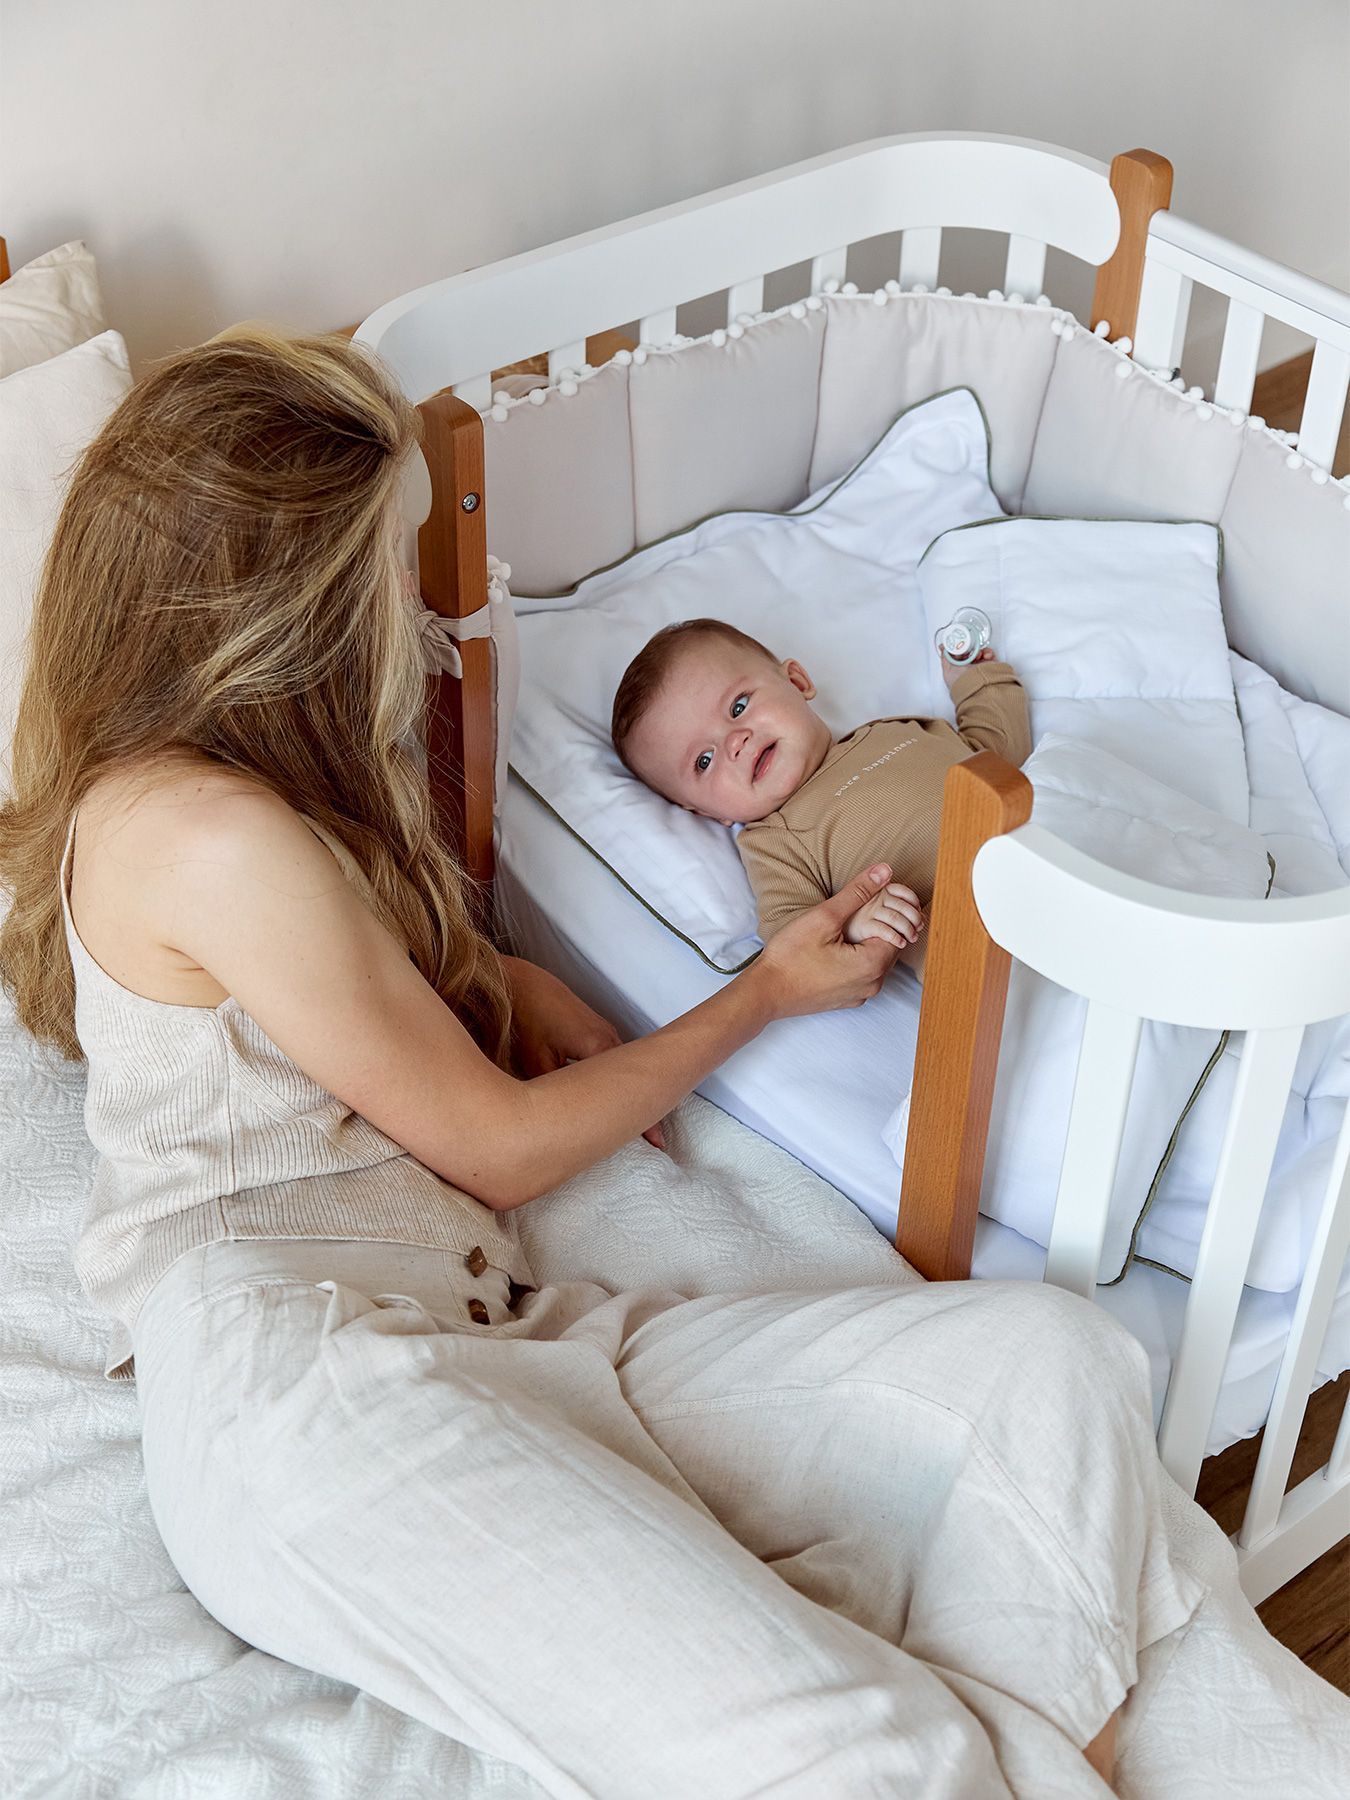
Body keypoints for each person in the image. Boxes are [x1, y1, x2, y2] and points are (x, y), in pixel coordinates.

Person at [0, 330, 1206, 1796]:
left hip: (498, 1326)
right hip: (306, 1378)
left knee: (1059, 1368)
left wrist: (501, 977)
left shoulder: (241, 804)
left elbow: (321, 997)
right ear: (280, 618)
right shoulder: (195, 830)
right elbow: (498, 1148)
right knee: (875, 1747)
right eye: (383, 579)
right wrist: (761, 995)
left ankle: (1037, 1761)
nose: (412, 623)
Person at [611, 616, 1031, 972]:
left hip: (1040, 839)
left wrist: (974, 678)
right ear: (707, 813)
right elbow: (792, 940)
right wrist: (854, 924)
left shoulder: (892, 731)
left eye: (738, 707)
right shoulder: (773, 841)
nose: (735, 742)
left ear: (797, 681)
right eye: (704, 760)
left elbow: (997, 753)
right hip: (981, 934)